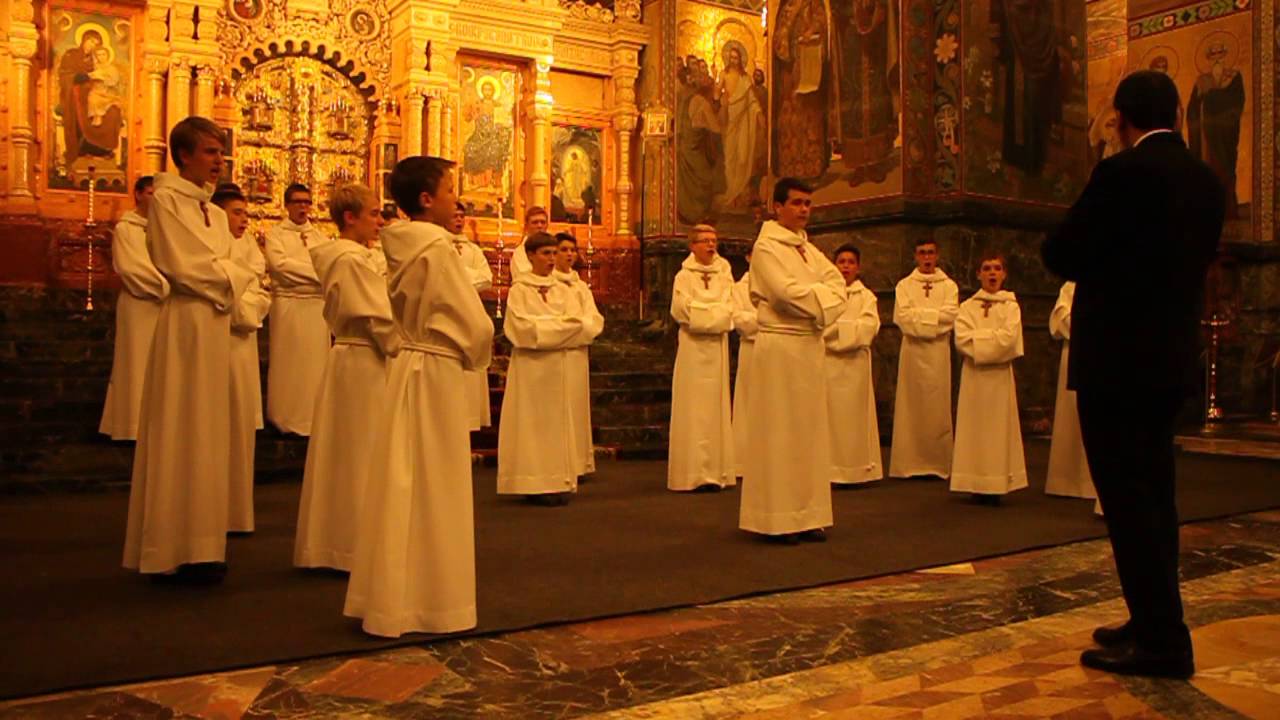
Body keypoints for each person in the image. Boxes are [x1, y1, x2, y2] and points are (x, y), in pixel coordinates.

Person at [1043, 70, 1225, 679]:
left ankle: (1163, 643)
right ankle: (1152, 619)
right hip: (1170, 358)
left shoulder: (1120, 173)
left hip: (1116, 363)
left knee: (1128, 502)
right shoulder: (1204, 179)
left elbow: (1062, 253)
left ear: (1119, 117)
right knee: (1156, 497)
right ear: (1177, 110)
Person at [344, 156, 493, 637]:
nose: (458, 199)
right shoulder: (436, 249)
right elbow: (471, 320)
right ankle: (432, 599)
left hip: (410, 360)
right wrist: (478, 351)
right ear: (427, 199)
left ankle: (388, 594)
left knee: (402, 478)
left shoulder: (399, 244)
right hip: (437, 367)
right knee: (435, 481)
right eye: (451, 190)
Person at [122, 117, 255, 581]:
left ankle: (205, 543)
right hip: (185, 323)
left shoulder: (215, 213)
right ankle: (170, 546)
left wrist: (228, 275)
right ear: (182, 156)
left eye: (221, 152)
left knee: (209, 430)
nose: (218, 160)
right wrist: (231, 277)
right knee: (181, 423)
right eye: (208, 152)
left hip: (216, 321)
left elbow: (233, 262)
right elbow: (185, 265)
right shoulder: (166, 203)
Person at [295, 184, 401, 571]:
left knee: (353, 450)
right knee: (359, 452)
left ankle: (344, 541)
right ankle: (352, 546)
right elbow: (374, 315)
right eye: (373, 213)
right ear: (350, 217)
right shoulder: (349, 259)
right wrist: (404, 345)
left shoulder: (360, 257)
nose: (380, 221)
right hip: (363, 359)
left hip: (357, 359)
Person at [739, 178, 845, 543]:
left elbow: (839, 286)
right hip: (781, 346)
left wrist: (817, 298)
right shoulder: (767, 248)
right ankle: (777, 518)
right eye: (797, 203)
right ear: (778, 207)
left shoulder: (807, 249)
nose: (803, 210)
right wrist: (822, 299)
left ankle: (807, 513)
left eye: (808, 204)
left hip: (808, 345)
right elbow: (784, 295)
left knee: (809, 433)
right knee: (779, 432)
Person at [497, 232, 585, 506]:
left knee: (555, 424)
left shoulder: (564, 289)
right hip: (530, 368)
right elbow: (520, 330)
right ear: (531, 255)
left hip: (556, 366)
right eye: (545, 253)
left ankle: (556, 479)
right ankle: (532, 481)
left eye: (553, 253)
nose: (551, 258)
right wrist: (556, 328)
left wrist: (544, 328)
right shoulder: (519, 290)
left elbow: (577, 325)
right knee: (531, 424)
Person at [210, 183, 271, 534]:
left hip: (243, 341)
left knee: (241, 427)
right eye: (237, 212)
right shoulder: (212, 245)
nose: (244, 220)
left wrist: (250, 303)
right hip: (221, 338)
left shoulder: (246, 245)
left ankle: (236, 510)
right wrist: (245, 302)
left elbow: (260, 288)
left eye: (246, 214)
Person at [950, 254, 1026, 504]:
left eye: (997, 269)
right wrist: (993, 339)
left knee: (997, 429)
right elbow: (962, 340)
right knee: (974, 428)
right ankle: (974, 481)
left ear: (1004, 274)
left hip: (999, 379)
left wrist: (981, 340)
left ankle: (996, 483)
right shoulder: (967, 307)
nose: (992, 273)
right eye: (986, 269)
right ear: (978, 274)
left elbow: (1010, 340)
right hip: (975, 378)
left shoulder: (1011, 306)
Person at [668, 224, 736, 492]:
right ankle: (692, 473)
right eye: (705, 240)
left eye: (714, 240)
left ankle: (717, 472)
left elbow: (731, 307)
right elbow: (680, 310)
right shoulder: (683, 277)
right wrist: (712, 316)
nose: (711, 245)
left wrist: (704, 314)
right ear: (692, 245)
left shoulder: (725, 272)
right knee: (692, 406)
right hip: (692, 349)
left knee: (716, 406)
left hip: (716, 348)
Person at [100, 176, 165, 440]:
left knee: (158, 366)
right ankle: (131, 426)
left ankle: (155, 425)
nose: (155, 199)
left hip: (162, 305)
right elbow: (131, 268)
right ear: (138, 195)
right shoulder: (127, 228)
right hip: (139, 303)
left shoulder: (162, 227)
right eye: (151, 193)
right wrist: (166, 285)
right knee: (135, 362)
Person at [888, 239, 958, 480]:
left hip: (938, 352)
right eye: (922, 253)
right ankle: (909, 463)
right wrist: (932, 321)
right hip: (913, 353)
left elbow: (951, 316)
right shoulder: (904, 285)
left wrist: (921, 320)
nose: (926, 257)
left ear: (937, 255)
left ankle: (938, 463)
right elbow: (902, 317)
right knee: (911, 405)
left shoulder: (949, 286)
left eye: (930, 253)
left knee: (937, 406)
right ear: (915, 256)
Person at [264, 183, 329, 435]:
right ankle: (284, 416)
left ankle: (312, 418)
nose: (303, 207)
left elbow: (326, 267)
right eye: (298, 202)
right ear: (287, 205)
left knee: (315, 365)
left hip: (315, 307)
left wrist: (308, 273)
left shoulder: (319, 237)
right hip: (289, 305)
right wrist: (314, 274)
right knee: (288, 361)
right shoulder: (276, 235)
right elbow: (280, 266)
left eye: (307, 202)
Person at [824, 244, 882, 486]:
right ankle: (830, 469)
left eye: (850, 262)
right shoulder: (825, 294)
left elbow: (869, 327)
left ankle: (857, 470)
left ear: (858, 267)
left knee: (854, 418)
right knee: (829, 418)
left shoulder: (866, 296)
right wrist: (844, 330)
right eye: (841, 262)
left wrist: (838, 332)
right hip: (828, 364)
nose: (846, 266)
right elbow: (820, 325)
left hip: (855, 365)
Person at [553, 232, 604, 479]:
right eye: (563, 250)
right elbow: (553, 322)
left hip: (576, 353)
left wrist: (577, 332)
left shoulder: (581, 287)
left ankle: (578, 462)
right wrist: (568, 331)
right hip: (555, 354)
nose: (569, 254)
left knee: (576, 406)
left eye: (572, 250)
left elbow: (594, 319)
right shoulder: (545, 285)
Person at [1045, 281, 1097, 501]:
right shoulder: (1071, 285)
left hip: (1099, 352)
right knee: (1071, 414)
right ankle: (1065, 481)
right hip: (1075, 350)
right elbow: (1059, 318)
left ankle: (1093, 483)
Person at [450, 202, 495, 431]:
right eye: (454, 215)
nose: (458, 220)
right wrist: (464, 277)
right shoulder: (439, 245)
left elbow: (486, 278)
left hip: (470, 311)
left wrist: (457, 276)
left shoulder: (473, 251)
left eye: (461, 216)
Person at [730, 246, 758, 479]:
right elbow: (738, 318)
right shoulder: (739, 288)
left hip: (778, 350)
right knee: (749, 403)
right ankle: (745, 461)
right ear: (748, 257)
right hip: (752, 350)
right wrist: (769, 323)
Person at [509, 206, 549, 279]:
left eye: (543, 222)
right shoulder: (520, 252)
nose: (539, 226)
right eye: (535, 222)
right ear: (526, 226)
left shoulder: (554, 250)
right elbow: (522, 277)